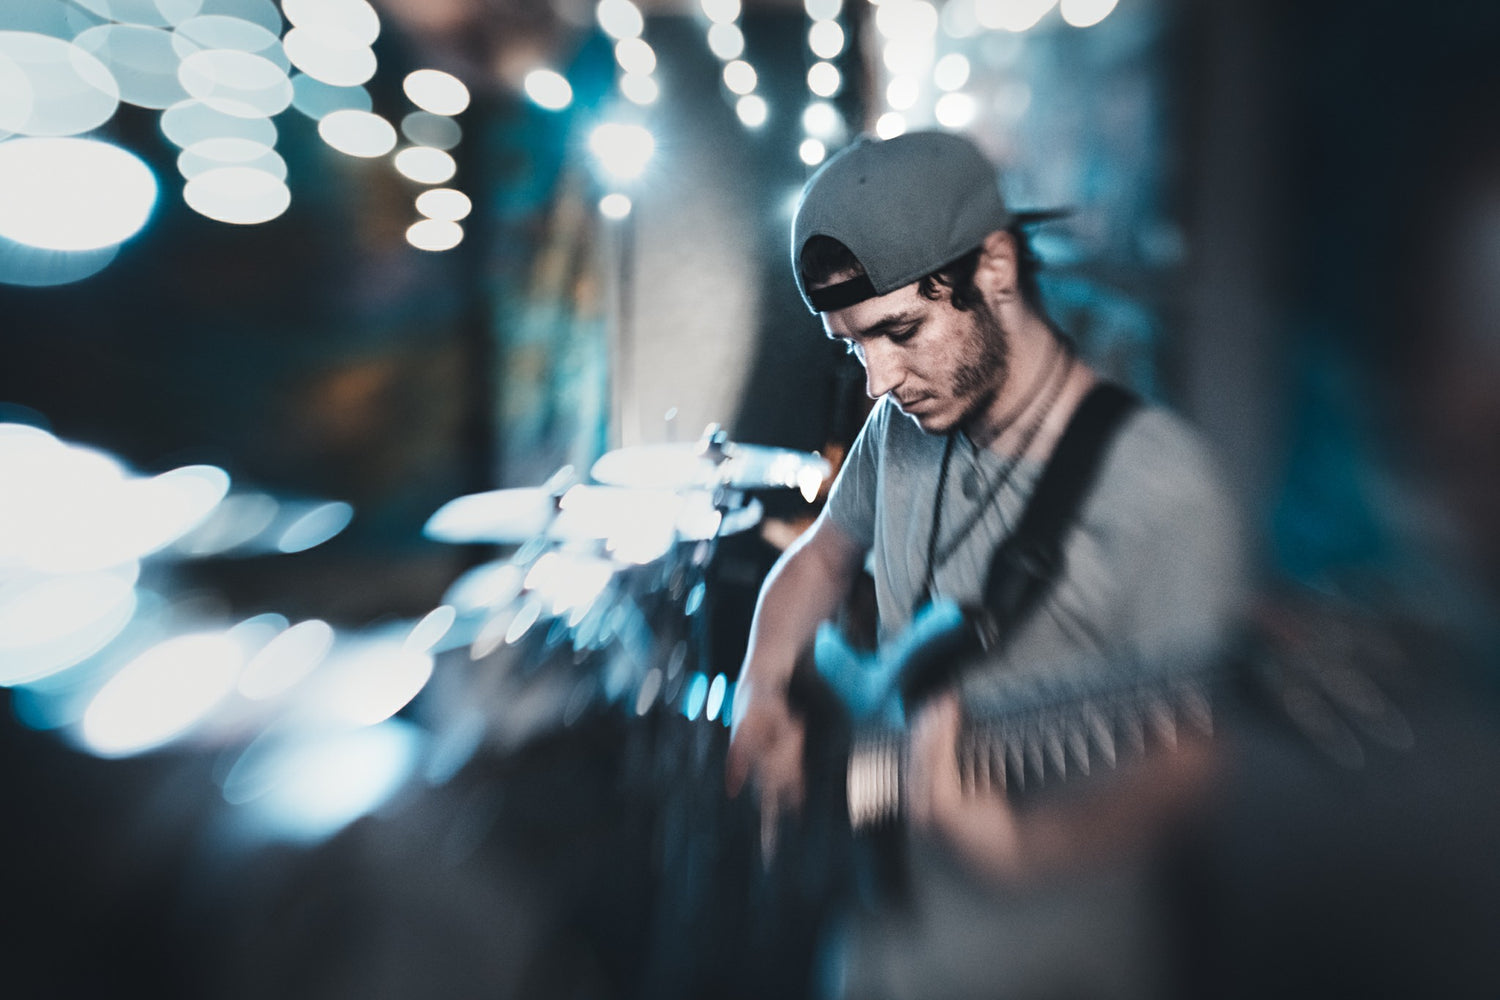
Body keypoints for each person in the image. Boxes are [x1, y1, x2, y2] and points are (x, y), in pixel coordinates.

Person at [724, 129, 1247, 998]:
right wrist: (762, 684)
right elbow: (822, 559)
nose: (877, 381)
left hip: (1049, 959)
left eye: (900, 331)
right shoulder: (899, 430)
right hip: (882, 925)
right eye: (853, 344)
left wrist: (1025, 852)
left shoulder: (1160, 488)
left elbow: (1194, 758)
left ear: (995, 268)